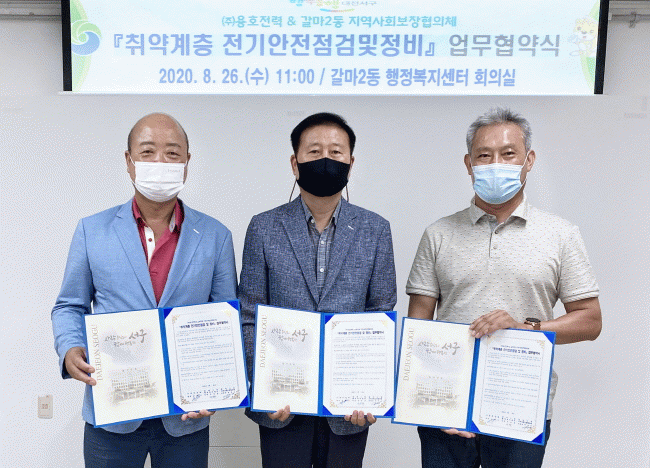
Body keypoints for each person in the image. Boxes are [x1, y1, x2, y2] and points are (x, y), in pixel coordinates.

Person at [406, 107, 602, 468]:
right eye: (484, 155)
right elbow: (417, 328)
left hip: (521, 408)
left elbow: (590, 321)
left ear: (529, 160)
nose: (496, 164)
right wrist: (428, 402)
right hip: (447, 409)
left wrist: (527, 328)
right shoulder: (438, 234)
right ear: (469, 164)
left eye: (508, 153)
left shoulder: (561, 235)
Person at [51, 113, 237, 468]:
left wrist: (218, 385)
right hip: (113, 413)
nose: (160, 162)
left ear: (187, 163)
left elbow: (225, 320)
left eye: (172, 153)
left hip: (186, 416)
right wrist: (70, 347)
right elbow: (69, 305)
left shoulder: (216, 236)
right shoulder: (93, 230)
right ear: (129, 161)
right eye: (148, 152)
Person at [239, 112, 397, 468]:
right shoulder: (264, 227)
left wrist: (370, 392)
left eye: (336, 152)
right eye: (314, 151)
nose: (325, 159)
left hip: (349, 408)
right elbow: (249, 316)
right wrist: (261, 388)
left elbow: (380, 314)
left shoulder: (375, 229)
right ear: (294, 164)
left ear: (350, 164)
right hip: (281, 404)